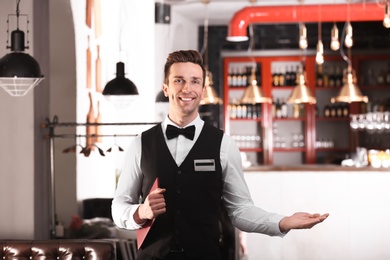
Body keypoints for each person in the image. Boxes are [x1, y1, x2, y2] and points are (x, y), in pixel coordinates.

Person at [112, 50, 329, 260]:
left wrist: (283, 222)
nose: (187, 88)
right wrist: (141, 212)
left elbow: (240, 210)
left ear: (203, 90)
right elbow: (118, 207)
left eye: (195, 81)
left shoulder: (224, 144)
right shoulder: (140, 144)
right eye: (178, 80)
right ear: (166, 88)